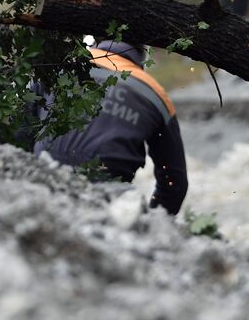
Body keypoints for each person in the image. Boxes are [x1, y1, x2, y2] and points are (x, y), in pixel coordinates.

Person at [30, 40, 188, 215]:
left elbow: (18, 135)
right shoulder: (155, 94)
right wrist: (152, 226)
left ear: (97, 40)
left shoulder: (58, 64)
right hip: (109, 201)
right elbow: (174, 184)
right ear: (144, 51)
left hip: (42, 182)